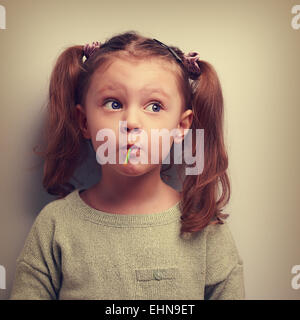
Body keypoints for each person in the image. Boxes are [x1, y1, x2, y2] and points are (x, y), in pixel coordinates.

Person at [10, 31, 245, 300]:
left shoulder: (205, 228)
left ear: (181, 127)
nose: (131, 122)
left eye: (155, 106)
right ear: (84, 121)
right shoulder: (55, 225)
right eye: (113, 103)